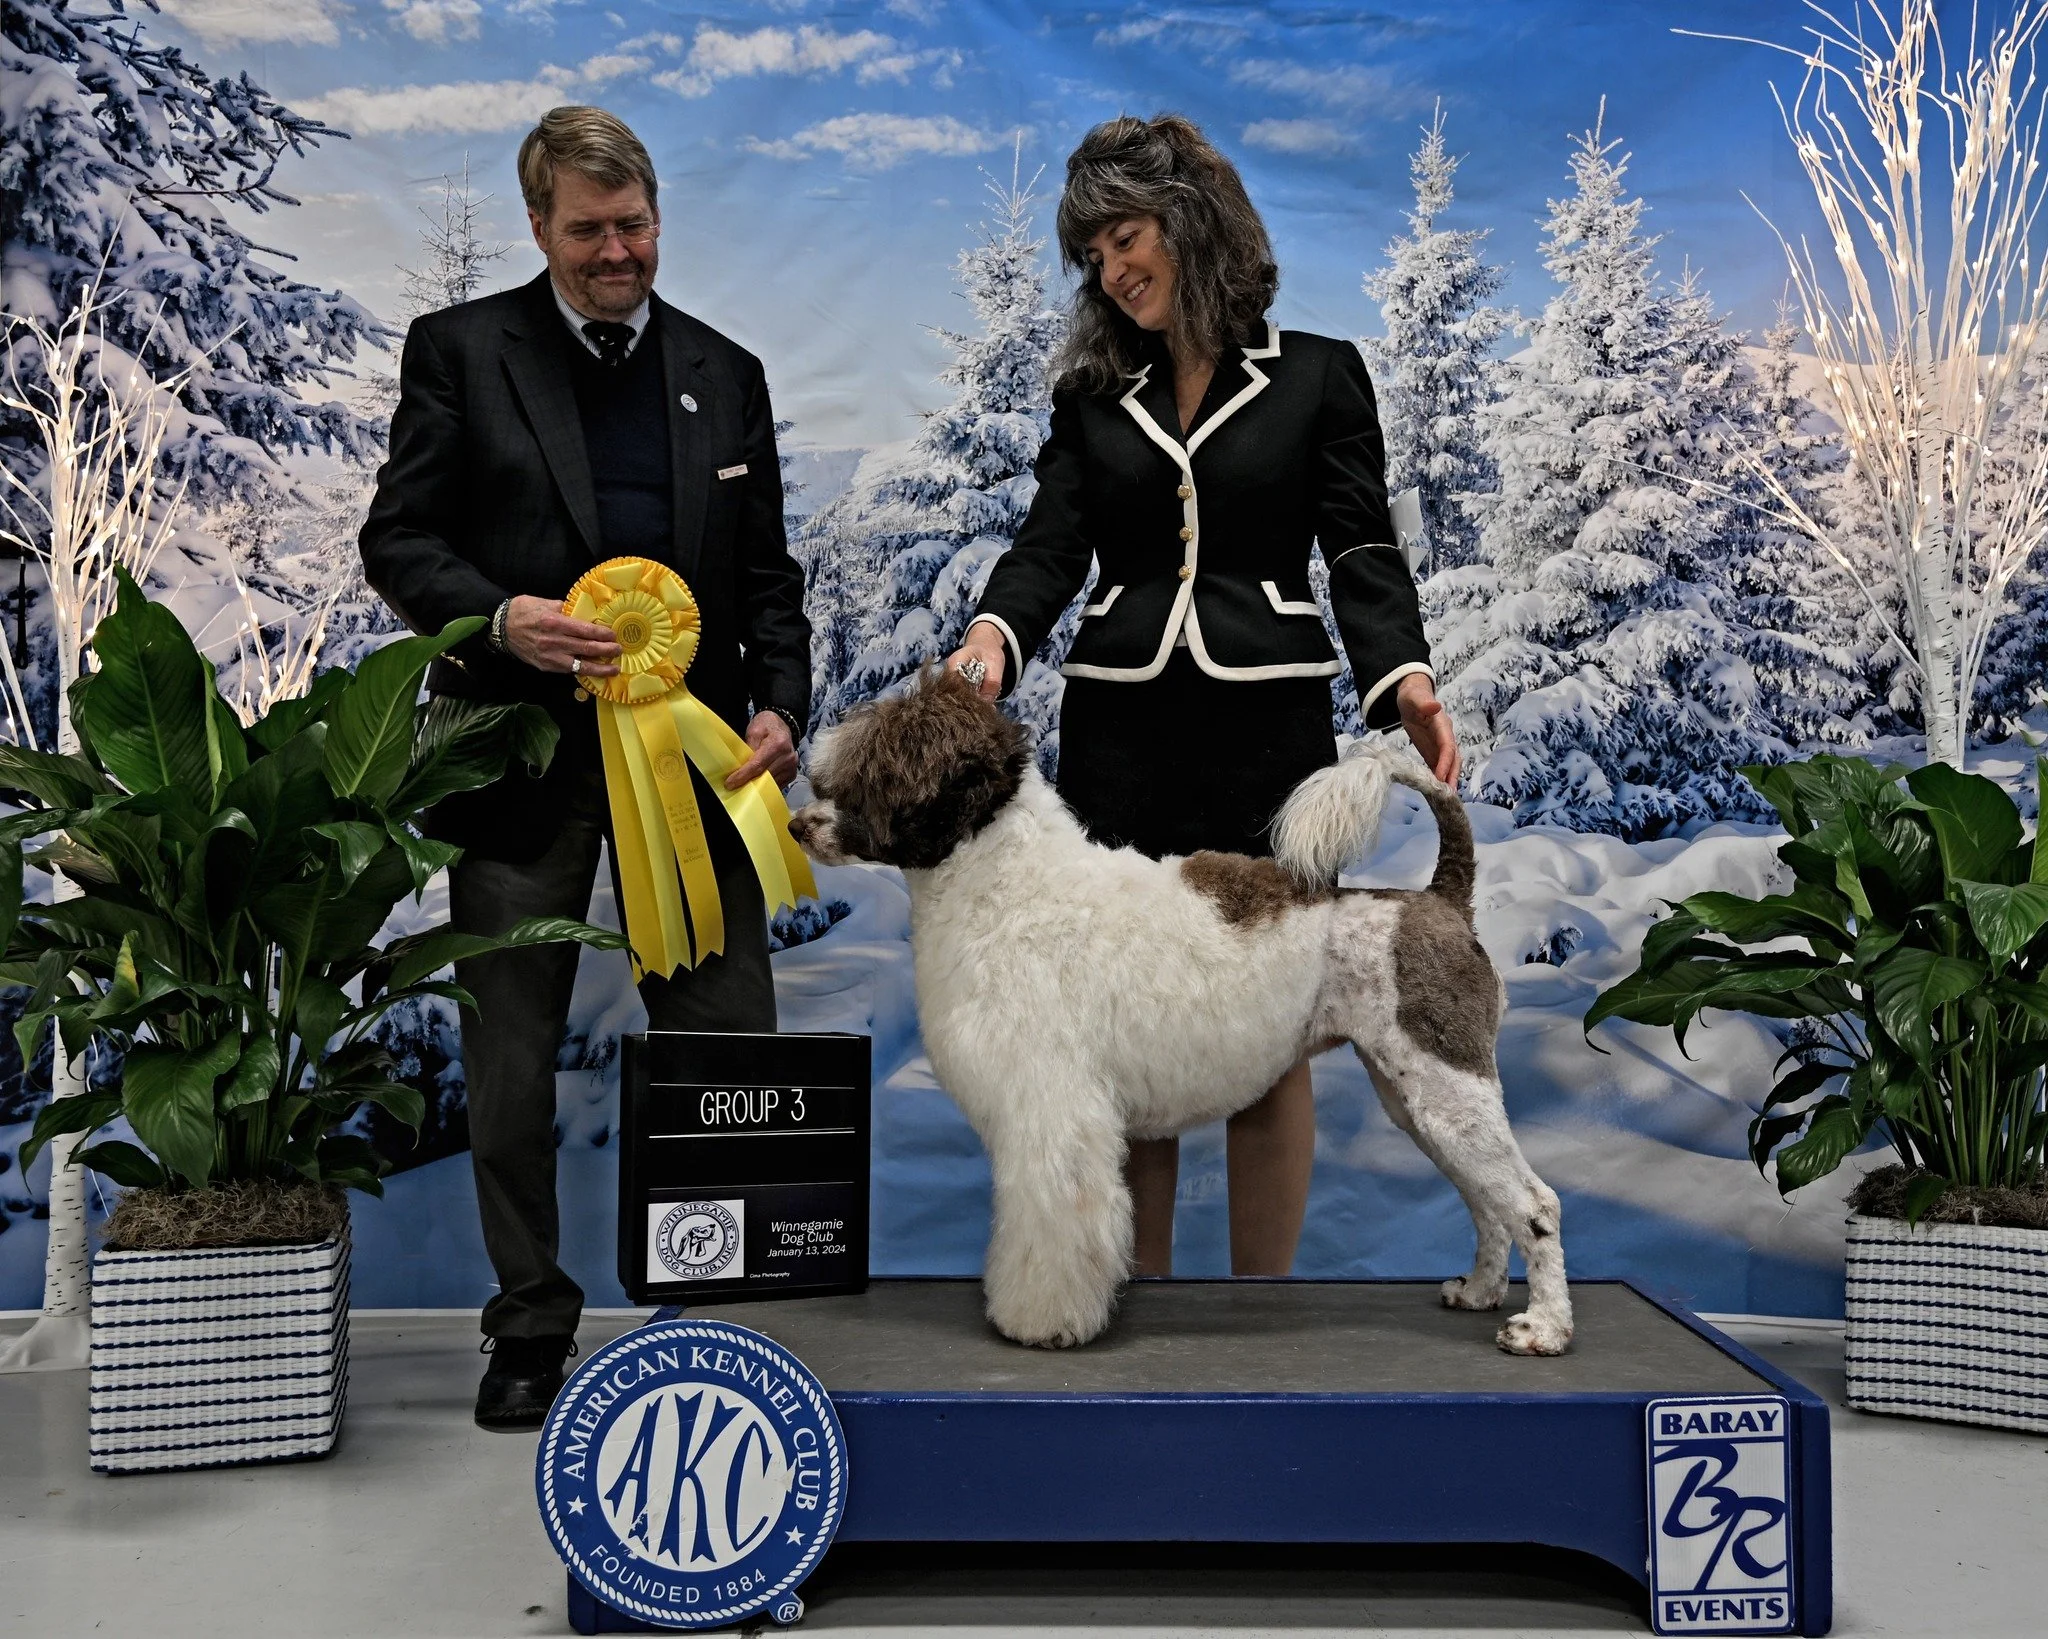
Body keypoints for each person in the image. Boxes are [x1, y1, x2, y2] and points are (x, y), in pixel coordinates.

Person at [944, 114, 1459, 1282]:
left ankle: (1259, 1309)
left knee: (1265, 1029)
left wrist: (1403, 678)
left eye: (1125, 237)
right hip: (1118, 731)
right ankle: (1146, 1302)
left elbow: (1360, 549)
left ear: (1191, 222)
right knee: (1132, 1025)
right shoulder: (1089, 397)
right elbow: (1048, 543)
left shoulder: (1321, 374)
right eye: (1093, 256)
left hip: (1261, 732)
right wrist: (991, 639)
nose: (1113, 271)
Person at [360, 106, 809, 1429]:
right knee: (509, 1058)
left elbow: (770, 578)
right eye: (589, 231)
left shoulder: (726, 372)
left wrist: (780, 705)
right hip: (517, 747)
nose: (618, 252)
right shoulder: (459, 352)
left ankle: (721, 1318)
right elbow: (401, 537)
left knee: (730, 1046)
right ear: (541, 226)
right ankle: (528, 1321)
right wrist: (499, 617)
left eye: (636, 226)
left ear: (658, 217)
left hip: (700, 753)